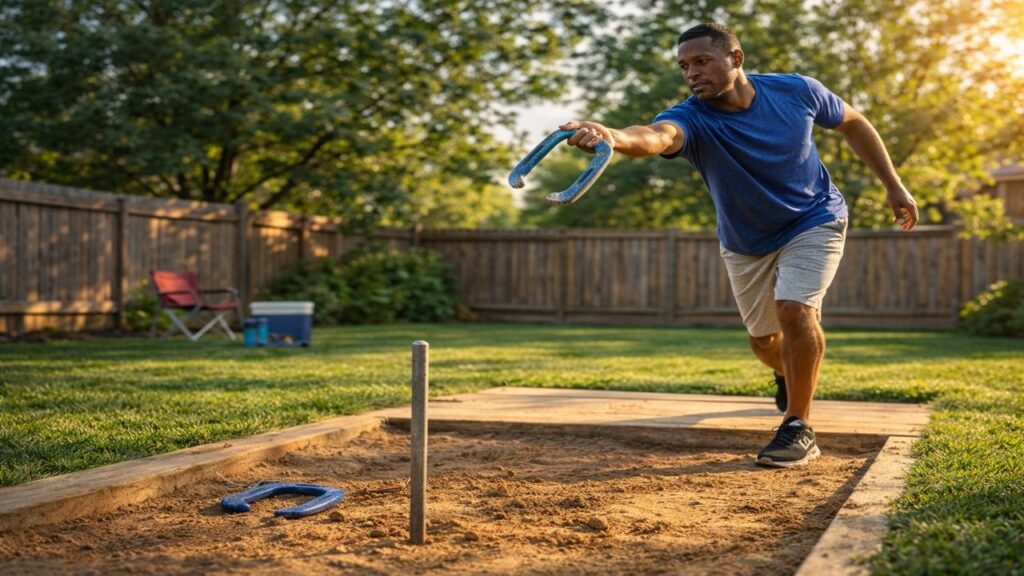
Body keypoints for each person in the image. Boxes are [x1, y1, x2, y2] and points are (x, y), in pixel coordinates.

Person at [560, 22, 918, 468]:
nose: (692, 73)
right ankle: (788, 374)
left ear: (736, 58)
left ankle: (798, 427)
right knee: (764, 339)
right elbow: (655, 138)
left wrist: (894, 184)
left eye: (702, 61)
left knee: (795, 309)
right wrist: (613, 136)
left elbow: (853, 122)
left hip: (815, 217)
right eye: (684, 66)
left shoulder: (797, 92)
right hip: (746, 240)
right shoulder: (691, 117)